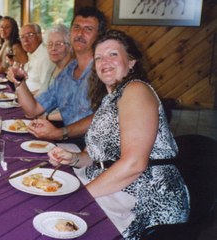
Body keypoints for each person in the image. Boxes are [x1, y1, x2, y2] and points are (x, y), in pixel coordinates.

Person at [47, 29, 190, 239]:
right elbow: (96, 156)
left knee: (59, 221)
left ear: (131, 61)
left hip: (145, 195)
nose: (105, 61)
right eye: (98, 57)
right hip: (117, 186)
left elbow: (134, 164)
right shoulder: (110, 99)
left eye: (113, 54)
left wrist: (80, 197)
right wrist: (75, 158)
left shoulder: (136, 90)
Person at [10, 7, 107, 148]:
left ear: (99, 36)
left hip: (95, 150)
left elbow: (102, 117)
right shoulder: (67, 72)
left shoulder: (104, 71)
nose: (80, 33)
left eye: (88, 29)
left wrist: (59, 133)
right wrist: (19, 82)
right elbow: (32, 110)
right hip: (69, 144)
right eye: (76, 27)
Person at [7, 23, 55, 95]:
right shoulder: (30, 53)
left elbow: (47, 89)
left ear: (39, 37)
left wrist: (27, 97)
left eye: (30, 35)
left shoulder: (45, 57)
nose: (25, 40)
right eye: (22, 37)